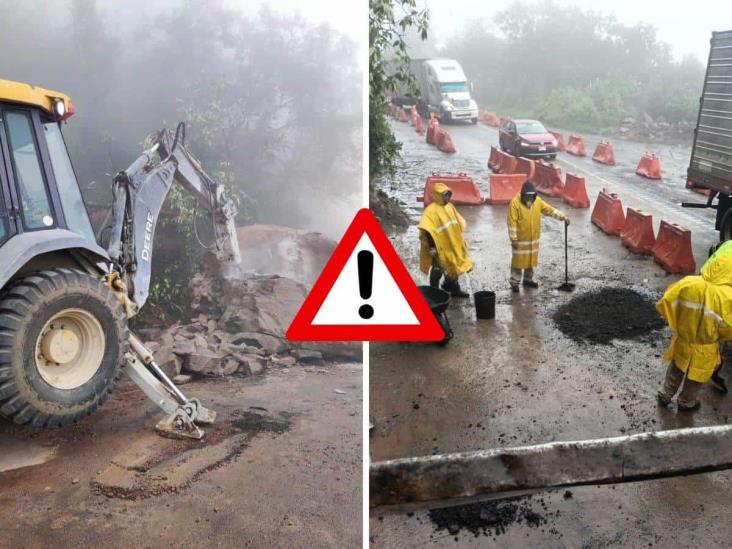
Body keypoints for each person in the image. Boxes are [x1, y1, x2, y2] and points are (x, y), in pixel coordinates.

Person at [656, 249, 732, 411]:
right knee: (696, 376)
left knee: (676, 368)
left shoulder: (689, 283)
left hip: (684, 340)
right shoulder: (728, 297)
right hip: (706, 347)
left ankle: (665, 394)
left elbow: (666, 302)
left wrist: (676, 323)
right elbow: (729, 327)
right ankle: (686, 401)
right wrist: (721, 336)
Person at [506, 181, 569, 293]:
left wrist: (563, 217)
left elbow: (549, 210)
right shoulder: (515, 203)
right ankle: (515, 282)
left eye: (531, 196)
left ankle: (527, 279)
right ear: (523, 194)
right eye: (527, 196)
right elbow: (512, 222)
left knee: (530, 260)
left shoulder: (537, 202)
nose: (529, 198)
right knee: (518, 262)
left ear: (534, 195)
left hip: (533, 239)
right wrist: (514, 238)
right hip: (520, 240)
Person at [418, 182, 473, 297]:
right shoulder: (430, 211)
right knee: (437, 270)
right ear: (439, 195)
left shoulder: (449, 207)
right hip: (439, 246)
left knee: (453, 266)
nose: (448, 198)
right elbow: (427, 230)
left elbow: (457, 224)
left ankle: (454, 289)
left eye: (449, 195)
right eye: (445, 195)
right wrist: (432, 247)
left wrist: (460, 241)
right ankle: (435, 292)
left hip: (452, 243)